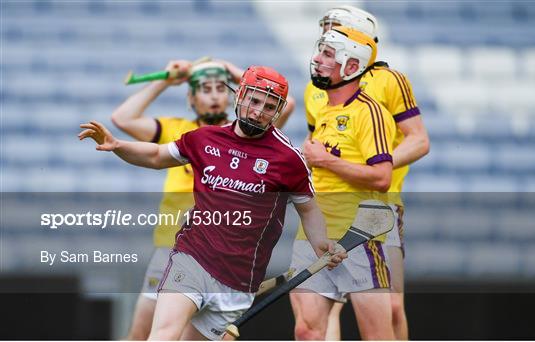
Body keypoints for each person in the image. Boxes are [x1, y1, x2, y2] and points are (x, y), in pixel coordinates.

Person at [79, 65, 347, 341]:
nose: (258, 111)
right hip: (193, 257)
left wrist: (320, 244)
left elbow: (308, 208)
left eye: (269, 106)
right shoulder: (206, 138)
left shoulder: (288, 159)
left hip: (239, 279)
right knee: (162, 336)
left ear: (278, 111)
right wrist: (118, 145)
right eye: (254, 101)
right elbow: (157, 156)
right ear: (239, 96)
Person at [111, 59, 296, 340]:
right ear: (191, 98)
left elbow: (286, 103)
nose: (212, 95)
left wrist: (230, 68)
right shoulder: (180, 131)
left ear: (235, 94)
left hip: (224, 258)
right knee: (143, 334)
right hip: (174, 248)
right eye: (204, 88)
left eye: (219, 87)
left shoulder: (250, 137)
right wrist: (166, 80)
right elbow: (122, 119)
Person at [303, 5, 430, 340]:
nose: (324, 38)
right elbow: (317, 145)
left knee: (390, 307)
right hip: (334, 208)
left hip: (380, 205)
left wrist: (372, 167)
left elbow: (419, 140)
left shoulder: (390, 80)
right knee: (323, 308)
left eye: (335, 29)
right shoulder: (315, 89)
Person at [289, 26, 397, 340]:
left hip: (356, 237)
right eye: (319, 50)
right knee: (307, 330)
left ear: (352, 66)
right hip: (314, 235)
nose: (317, 59)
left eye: (327, 53)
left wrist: (325, 160)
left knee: (376, 335)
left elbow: (382, 176)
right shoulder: (324, 111)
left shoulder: (370, 113)